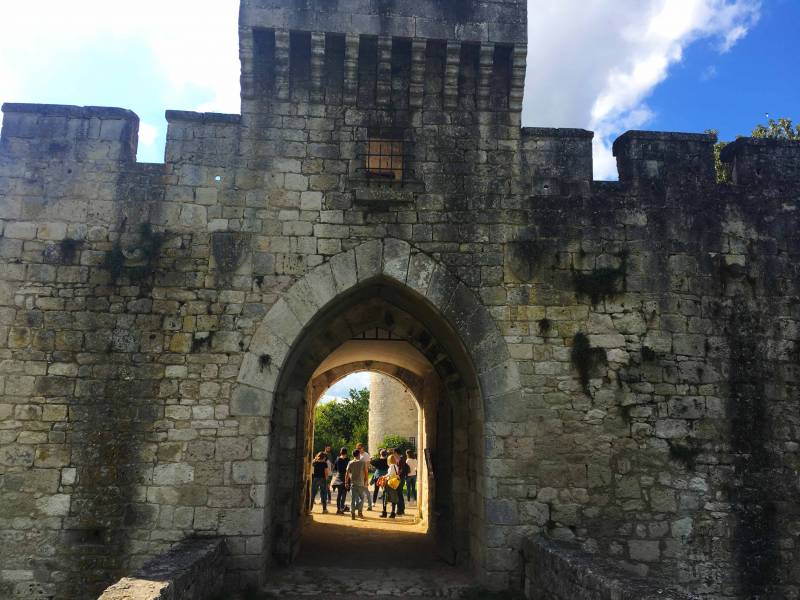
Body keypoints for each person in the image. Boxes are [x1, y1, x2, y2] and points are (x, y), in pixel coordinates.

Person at [346, 449, 369, 520]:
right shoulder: (363, 462)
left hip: (353, 483)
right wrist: (366, 481)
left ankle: (353, 513)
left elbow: (347, 473)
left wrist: (346, 482)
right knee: (362, 498)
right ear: (359, 454)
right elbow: (366, 472)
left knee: (353, 499)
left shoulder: (350, 462)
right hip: (361, 483)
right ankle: (359, 511)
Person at [381, 453, 400, 519]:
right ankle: (393, 513)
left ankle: (384, 512)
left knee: (385, 497)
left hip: (390, 483)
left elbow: (390, 474)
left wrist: (384, 476)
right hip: (394, 483)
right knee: (393, 498)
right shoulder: (396, 466)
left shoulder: (391, 466)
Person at [331, 447, 349, 514]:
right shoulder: (347, 460)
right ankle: (341, 508)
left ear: (340, 452)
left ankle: (339, 509)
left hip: (338, 477)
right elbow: (348, 469)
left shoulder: (337, 459)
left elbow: (335, 468)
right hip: (344, 477)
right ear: (346, 453)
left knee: (339, 494)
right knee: (344, 494)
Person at [356, 443, 373, 511]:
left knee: (366, 490)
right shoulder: (357, 454)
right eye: (357, 448)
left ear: (363, 448)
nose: (358, 449)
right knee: (357, 491)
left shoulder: (366, 455)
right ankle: (358, 505)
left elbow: (367, 465)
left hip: (364, 474)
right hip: (358, 474)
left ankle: (370, 505)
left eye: (359, 448)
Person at [396, 450, 408, 516]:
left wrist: (397, 474)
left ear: (396, 453)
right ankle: (402, 510)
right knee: (400, 494)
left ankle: (399, 510)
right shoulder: (402, 459)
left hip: (400, 479)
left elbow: (401, 470)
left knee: (398, 495)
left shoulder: (400, 460)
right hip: (402, 478)